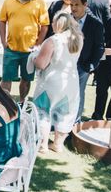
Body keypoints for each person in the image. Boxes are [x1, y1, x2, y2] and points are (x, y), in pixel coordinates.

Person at [31, 12, 83, 153]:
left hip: (52, 81)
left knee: (44, 111)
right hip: (71, 81)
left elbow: (41, 64)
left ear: (57, 24)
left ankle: (43, 145)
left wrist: (33, 57)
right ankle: (58, 144)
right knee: (65, 113)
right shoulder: (78, 38)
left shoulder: (53, 41)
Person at [0, 0, 50, 104]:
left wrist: (38, 44)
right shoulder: (8, 1)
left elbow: (45, 26)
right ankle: (6, 104)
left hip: (30, 51)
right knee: (6, 78)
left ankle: (22, 102)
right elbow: (2, 22)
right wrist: (3, 42)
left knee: (26, 79)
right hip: (11, 49)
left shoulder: (39, 3)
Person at [70, 0, 104, 122]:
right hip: (66, 63)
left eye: (77, 5)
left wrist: (91, 66)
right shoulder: (67, 20)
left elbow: (99, 47)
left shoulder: (96, 24)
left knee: (78, 93)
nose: (73, 8)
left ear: (85, 5)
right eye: (72, 5)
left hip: (83, 65)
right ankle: (62, 121)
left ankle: (75, 123)